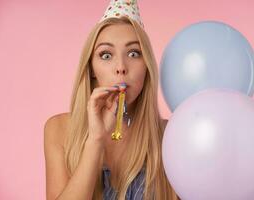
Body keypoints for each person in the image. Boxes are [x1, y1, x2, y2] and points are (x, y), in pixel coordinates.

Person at [44, 0, 180, 200]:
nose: (121, 67)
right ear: (91, 69)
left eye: (134, 53)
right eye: (106, 55)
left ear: (147, 67)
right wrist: (95, 140)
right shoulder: (59, 129)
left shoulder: (172, 135)